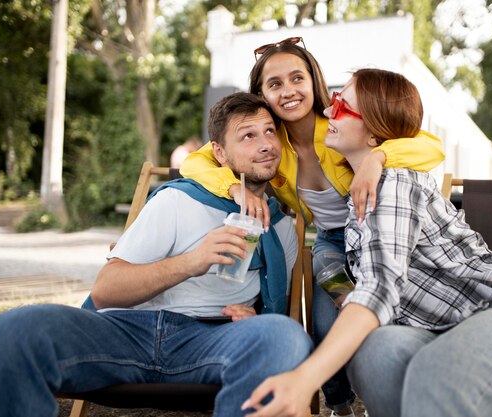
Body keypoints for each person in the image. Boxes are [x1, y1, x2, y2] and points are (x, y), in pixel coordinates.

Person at [242, 69, 492, 417]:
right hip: (436, 332)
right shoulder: (358, 195)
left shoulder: (393, 184)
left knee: (435, 373)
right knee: (374, 352)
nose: (329, 111)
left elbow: (379, 286)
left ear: (374, 135)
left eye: (342, 105)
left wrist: (302, 380)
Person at [0, 93, 313, 417]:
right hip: (126, 332)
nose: (266, 144)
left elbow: (272, 312)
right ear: (220, 154)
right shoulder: (177, 202)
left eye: (270, 131)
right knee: (12, 330)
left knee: (284, 337)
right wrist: (192, 261)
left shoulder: (281, 230)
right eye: (248, 135)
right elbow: (105, 291)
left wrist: (256, 321)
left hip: (212, 339)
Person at [180, 37, 445, 417]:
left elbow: (432, 147)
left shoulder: (341, 124)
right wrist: (234, 188)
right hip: (332, 242)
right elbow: (195, 163)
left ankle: (389, 395)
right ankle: (340, 406)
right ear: (261, 96)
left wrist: (378, 158)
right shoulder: (270, 143)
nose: (288, 91)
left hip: (379, 233)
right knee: (323, 323)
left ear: (313, 81)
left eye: (296, 78)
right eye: (274, 84)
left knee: (383, 312)